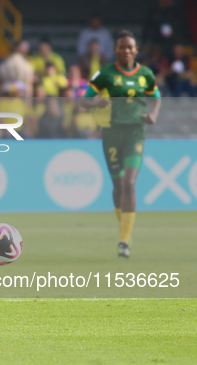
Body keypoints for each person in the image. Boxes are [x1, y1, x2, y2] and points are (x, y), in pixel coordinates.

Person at [80, 30, 161, 258]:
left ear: (136, 50)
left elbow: (156, 97)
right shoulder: (105, 74)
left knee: (128, 183)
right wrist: (97, 102)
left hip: (135, 132)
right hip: (112, 133)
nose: (126, 51)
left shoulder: (145, 74)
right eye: (122, 48)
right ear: (115, 51)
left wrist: (153, 114)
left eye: (130, 48)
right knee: (117, 186)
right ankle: (124, 229)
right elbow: (83, 101)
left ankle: (124, 239)